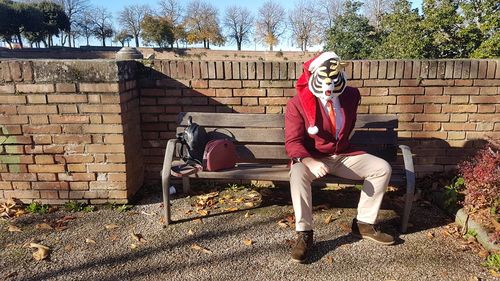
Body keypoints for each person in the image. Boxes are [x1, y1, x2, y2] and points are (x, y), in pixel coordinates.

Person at [285, 52, 395, 263]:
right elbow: (292, 143)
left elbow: (347, 126)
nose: (329, 87)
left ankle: (363, 224)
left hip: (343, 154)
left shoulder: (351, 96)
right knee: (297, 172)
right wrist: (309, 161)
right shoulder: (297, 104)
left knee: (381, 168)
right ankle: (304, 233)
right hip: (312, 157)